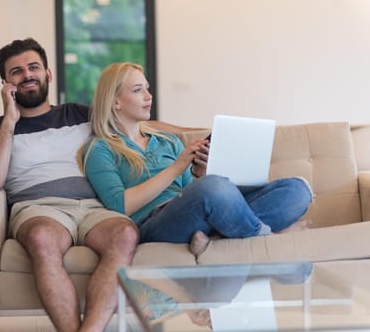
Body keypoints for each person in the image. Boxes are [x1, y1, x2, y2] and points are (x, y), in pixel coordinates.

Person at [0, 39, 145, 332]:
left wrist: (195, 134)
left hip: (94, 207)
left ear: (48, 74)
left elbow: (138, 126)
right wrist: (10, 121)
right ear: (6, 84)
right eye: (16, 71)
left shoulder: (81, 114)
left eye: (33, 67)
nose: (27, 75)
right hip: (38, 208)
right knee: (42, 238)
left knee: (125, 234)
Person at [78, 62, 313, 256]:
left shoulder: (166, 141)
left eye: (147, 88)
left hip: (197, 217)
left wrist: (200, 172)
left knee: (297, 188)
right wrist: (179, 167)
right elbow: (120, 206)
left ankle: (216, 240)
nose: (149, 96)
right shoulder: (99, 149)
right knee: (215, 187)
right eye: (138, 90)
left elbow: (194, 193)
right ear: (115, 101)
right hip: (155, 224)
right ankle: (269, 239)